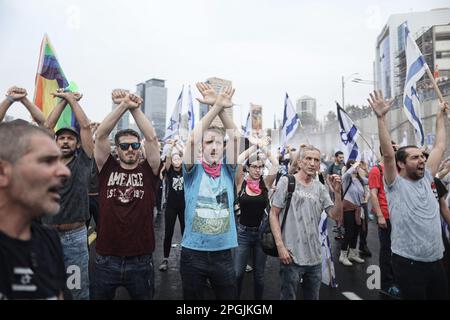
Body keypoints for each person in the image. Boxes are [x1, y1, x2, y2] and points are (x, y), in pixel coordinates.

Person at [368, 89, 449, 299]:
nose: (422, 160)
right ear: (401, 163)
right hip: (408, 263)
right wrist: (381, 118)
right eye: (415, 158)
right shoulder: (395, 185)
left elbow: (440, 145)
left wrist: (441, 117)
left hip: (436, 260)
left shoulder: (428, 178)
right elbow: (387, 153)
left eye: (422, 156)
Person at [92, 89, 160, 300]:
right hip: (106, 258)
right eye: (124, 146)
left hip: (140, 259)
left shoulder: (149, 170)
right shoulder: (107, 167)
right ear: (117, 150)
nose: (130, 149)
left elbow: (152, 137)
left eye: (134, 145)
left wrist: (135, 108)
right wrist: (123, 105)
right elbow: (101, 135)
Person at [180, 82, 240, 300]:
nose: (214, 146)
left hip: (223, 254)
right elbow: (192, 139)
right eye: (209, 142)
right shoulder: (192, 171)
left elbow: (236, 138)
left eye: (218, 142)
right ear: (202, 147)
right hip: (193, 253)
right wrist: (214, 106)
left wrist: (223, 109)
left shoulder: (228, 170)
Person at [0, 120, 70, 299]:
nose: (65, 172)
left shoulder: (50, 240)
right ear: (2, 172)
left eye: (61, 161)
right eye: (47, 161)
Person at [40, 89, 94, 300]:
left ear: (78, 144)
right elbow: (45, 128)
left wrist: (72, 100)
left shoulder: (83, 163)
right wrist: (62, 102)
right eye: (61, 138)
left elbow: (87, 127)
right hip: (47, 236)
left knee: (77, 289)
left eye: (70, 139)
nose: (65, 141)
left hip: (75, 238)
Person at [270, 145, 343, 300]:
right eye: (308, 159)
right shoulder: (287, 182)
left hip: (315, 258)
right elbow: (273, 213)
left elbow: (335, 215)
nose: (312, 163)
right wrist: (280, 246)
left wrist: (337, 193)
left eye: (316, 160)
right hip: (291, 256)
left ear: (319, 165)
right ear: (300, 162)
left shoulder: (320, 188)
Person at [234, 137, 279, 299]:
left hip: (261, 234)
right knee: (238, 273)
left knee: (259, 276)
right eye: (254, 167)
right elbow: (238, 160)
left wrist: (265, 148)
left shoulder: (266, 183)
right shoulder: (241, 183)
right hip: (243, 233)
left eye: (260, 167)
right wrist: (255, 146)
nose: (258, 170)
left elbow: (276, 164)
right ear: (248, 168)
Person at [368, 141, 401, 298]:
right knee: (387, 250)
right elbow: (373, 194)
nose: (397, 151)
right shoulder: (376, 170)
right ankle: (387, 284)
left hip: (398, 216)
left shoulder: (396, 170)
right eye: (394, 149)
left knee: (398, 251)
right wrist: (380, 215)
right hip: (386, 216)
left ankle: (396, 280)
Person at [158, 141, 185, 272]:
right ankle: (165, 259)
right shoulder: (169, 172)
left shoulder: (186, 170)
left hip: (184, 207)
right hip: (171, 207)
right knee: (168, 232)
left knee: (186, 233)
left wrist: (179, 147)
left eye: (178, 158)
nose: (176, 160)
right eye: (174, 158)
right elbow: (167, 160)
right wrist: (171, 149)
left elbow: (186, 155)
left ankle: (187, 258)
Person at [338, 160, 368, 266]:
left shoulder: (360, 179)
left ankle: (352, 254)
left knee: (356, 232)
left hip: (358, 209)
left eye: (356, 165)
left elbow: (370, 180)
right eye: (354, 166)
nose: (356, 167)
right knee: (349, 233)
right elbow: (345, 174)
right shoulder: (346, 179)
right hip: (348, 209)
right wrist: (354, 165)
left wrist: (364, 168)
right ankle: (343, 256)